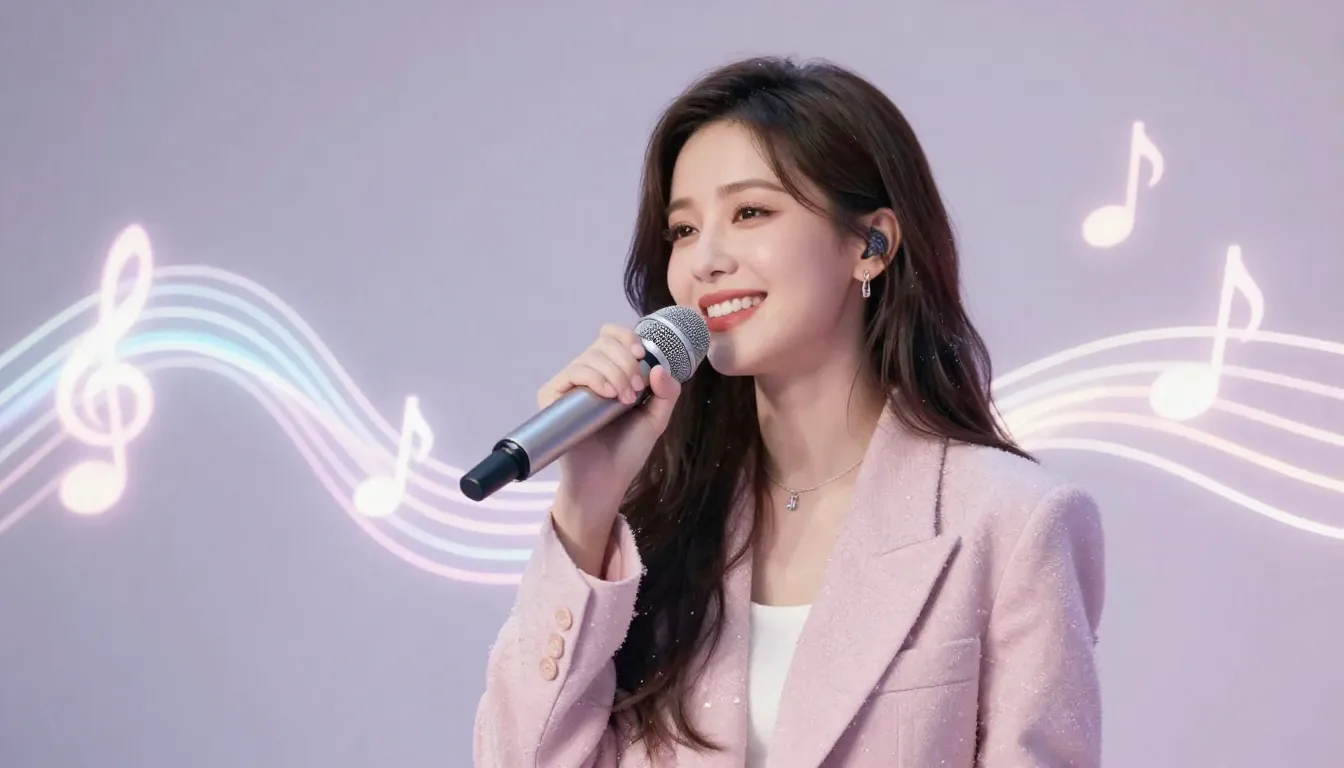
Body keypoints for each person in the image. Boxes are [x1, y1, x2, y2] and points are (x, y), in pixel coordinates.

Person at [473, 56, 1104, 768]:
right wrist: (588, 503)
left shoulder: (1012, 521)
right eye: (683, 230)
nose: (705, 261)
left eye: (750, 213)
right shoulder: (656, 528)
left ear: (871, 245)